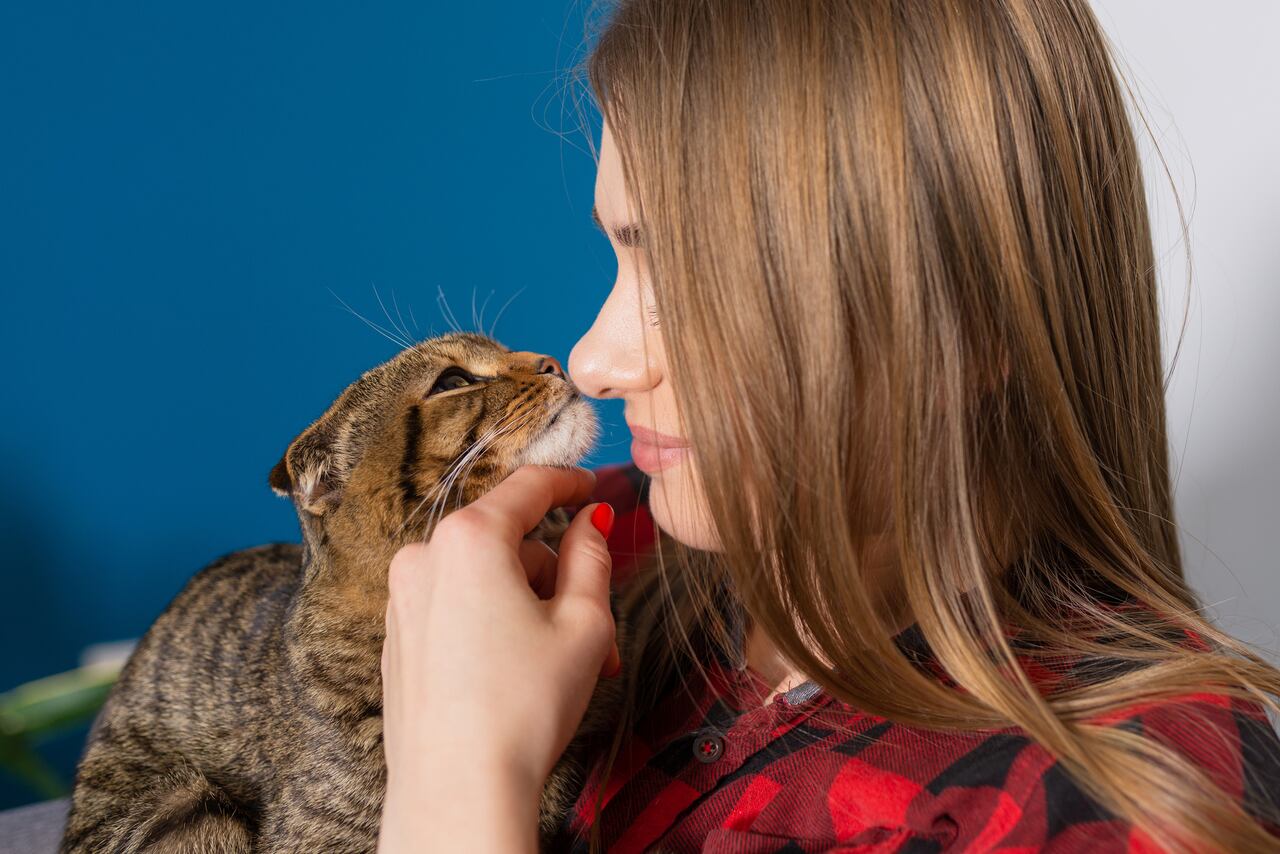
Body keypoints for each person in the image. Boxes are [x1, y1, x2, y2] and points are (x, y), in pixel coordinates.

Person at [376, 1, 1280, 851]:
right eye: (621, 251)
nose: (591, 364)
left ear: (976, 325)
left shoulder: (1112, 806)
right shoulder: (585, 554)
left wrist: (460, 782)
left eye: (697, 278)